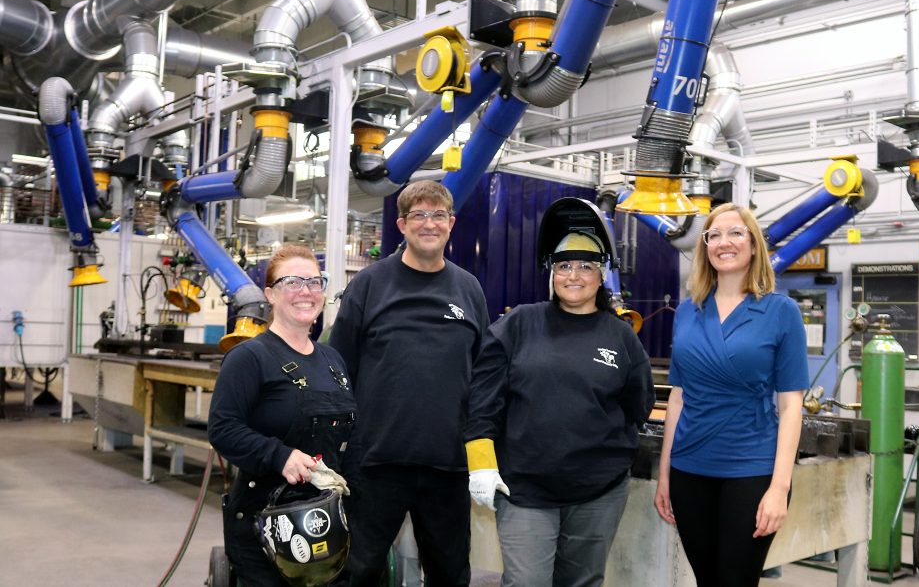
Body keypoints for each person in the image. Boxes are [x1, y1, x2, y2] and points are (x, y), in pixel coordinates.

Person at [465, 196, 655, 587]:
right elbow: (483, 400)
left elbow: (639, 404)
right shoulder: (519, 324)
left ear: (601, 275)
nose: (574, 275)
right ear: (551, 273)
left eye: (586, 266)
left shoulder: (620, 335)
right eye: (564, 265)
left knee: (583, 583)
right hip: (525, 491)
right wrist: (481, 462)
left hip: (598, 492)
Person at [329, 180, 490, 587]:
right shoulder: (369, 285)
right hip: (376, 461)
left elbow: (484, 373)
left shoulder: (468, 289)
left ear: (451, 223)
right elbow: (339, 367)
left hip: (448, 464)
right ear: (401, 224)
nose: (429, 224)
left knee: (450, 574)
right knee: (358, 570)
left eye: (438, 215)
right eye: (419, 214)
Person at [653, 203, 808, 586]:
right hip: (689, 469)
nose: (724, 242)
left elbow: (791, 406)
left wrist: (779, 488)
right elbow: (679, 396)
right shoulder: (689, 311)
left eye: (736, 233)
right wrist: (664, 474)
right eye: (714, 235)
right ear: (705, 247)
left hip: (751, 469)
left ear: (754, 246)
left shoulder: (780, 312)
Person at [208, 243, 356, 587]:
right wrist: (280, 455)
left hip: (329, 520)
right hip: (266, 521)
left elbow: (351, 435)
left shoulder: (333, 361)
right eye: (293, 283)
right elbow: (223, 428)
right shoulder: (249, 358)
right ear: (270, 294)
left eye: (315, 282)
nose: (306, 292)